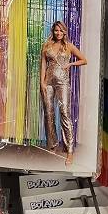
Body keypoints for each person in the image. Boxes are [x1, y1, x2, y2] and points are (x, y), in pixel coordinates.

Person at [40, 21, 88, 164]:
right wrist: (42, 83)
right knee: (49, 114)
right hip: (48, 82)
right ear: (53, 31)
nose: (59, 33)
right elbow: (43, 64)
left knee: (65, 114)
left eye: (61, 31)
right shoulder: (47, 45)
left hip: (63, 83)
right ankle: (53, 144)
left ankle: (70, 150)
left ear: (64, 32)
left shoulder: (68, 46)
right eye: (56, 30)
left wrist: (71, 64)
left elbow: (84, 60)